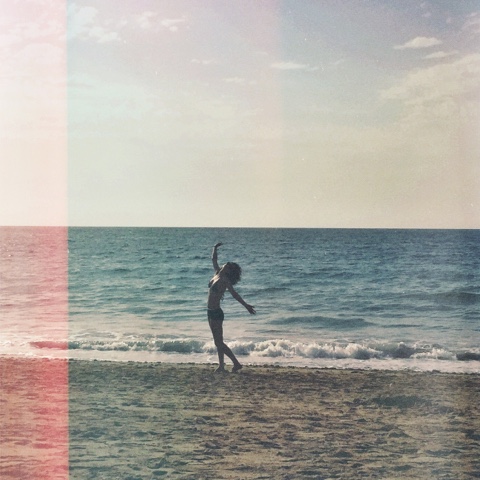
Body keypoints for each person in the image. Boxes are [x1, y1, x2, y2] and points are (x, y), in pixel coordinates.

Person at [207, 243, 256, 373]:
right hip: (210, 312)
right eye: (227, 264)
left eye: (228, 266)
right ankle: (221, 366)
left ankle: (236, 363)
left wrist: (246, 306)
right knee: (218, 341)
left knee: (219, 342)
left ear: (228, 271)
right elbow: (214, 260)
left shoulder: (224, 280)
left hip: (216, 313)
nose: (226, 264)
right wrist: (215, 248)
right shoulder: (217, 273)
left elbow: (234, 294)